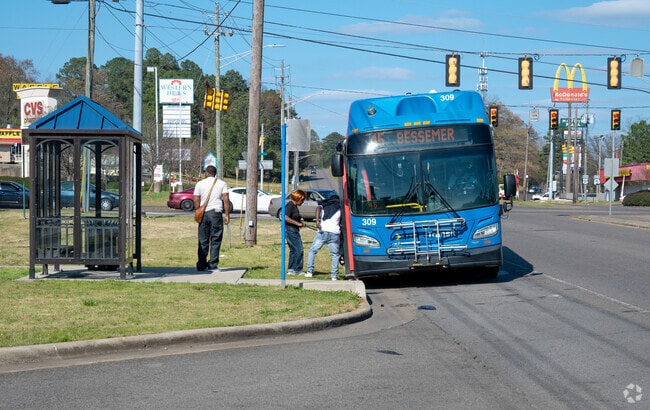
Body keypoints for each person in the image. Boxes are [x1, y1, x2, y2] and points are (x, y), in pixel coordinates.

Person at [193, 165, 230, 272]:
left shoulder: (200, 184)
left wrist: (198, 210)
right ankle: (212, 264)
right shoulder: (222, 183)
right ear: (215, 173)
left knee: (203, 240)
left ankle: (201, 264)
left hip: (204, 214)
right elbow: (226, 200)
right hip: (216, 213)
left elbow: (196, 200)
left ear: (207, 173)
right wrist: (227, 215)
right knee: (216, 240)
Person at [306, 195, 341, 281]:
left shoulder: (325, 204)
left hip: (323, 231)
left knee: (312, 251)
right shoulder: (340, 207)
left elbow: (318, 208)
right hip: (334, 233)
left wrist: (317, 221)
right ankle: (334, 276)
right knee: (335, 254)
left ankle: (309, 272)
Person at [284, 189, 306, 275]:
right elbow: (285, 217)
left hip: (293, 229)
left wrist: (300, 224)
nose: (303, 202)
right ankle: (297, 269)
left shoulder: (293, 206)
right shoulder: (290, 205)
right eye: (302, 200)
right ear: (297, 198)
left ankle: (291, 269)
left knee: (293, 250)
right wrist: (297, 223)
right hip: (290, 230)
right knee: (299, 249)